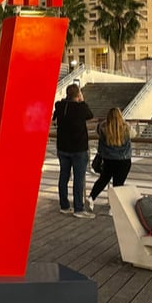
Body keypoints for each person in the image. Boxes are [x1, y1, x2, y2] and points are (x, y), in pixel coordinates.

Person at [52, 84, 95, 218]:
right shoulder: (81, 107)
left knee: (64, 176)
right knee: (78, 178)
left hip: (62, 148)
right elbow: (90, 115)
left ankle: (64, 206)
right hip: (78, 149)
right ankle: (78, 208)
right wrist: (82, 101)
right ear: (78, 95)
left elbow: (54, 119)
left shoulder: (60, 106)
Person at [87, 107, 135, 211]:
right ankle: (113, 208)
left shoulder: (102, 128)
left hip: (108, 159)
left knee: (103, 179)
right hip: (124, 160)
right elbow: (134, 134)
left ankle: (91, 197)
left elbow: (97, 131)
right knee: (118, 184)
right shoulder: (126, 128)